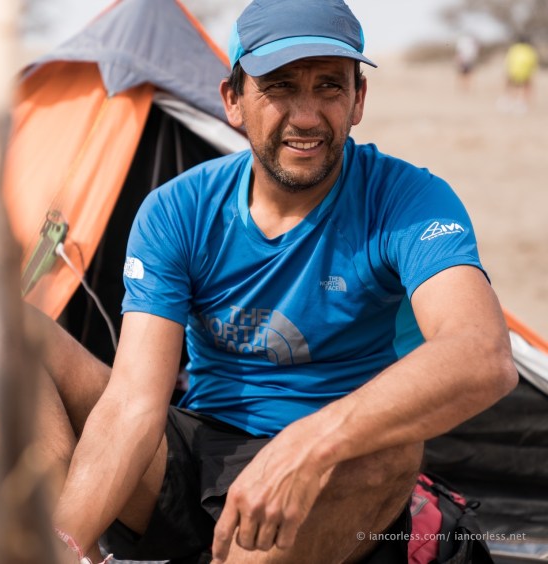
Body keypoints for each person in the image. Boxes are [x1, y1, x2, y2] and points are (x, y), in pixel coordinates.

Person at [37, 0, 519, 562]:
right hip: (194, 454)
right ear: (233, 101)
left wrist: (308, 444)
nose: (307, 116)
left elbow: (483, 354)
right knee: (10, 330)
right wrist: (64, 542)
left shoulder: (407, 201)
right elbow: (132, 406)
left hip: (329, 478)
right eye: (280, 87)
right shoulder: (177, 209)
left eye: (330, 87)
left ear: (358, 100)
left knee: (394, 451)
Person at [502, 36, 539, 112]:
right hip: (526, 72)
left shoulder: (514, 48)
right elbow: (533, 62)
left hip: (513, 71)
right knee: (526, 86)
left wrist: (508, 70)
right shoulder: (530, 50)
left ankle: (508, 99)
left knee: (511, 85)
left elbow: (508, 60)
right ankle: (522, 102)